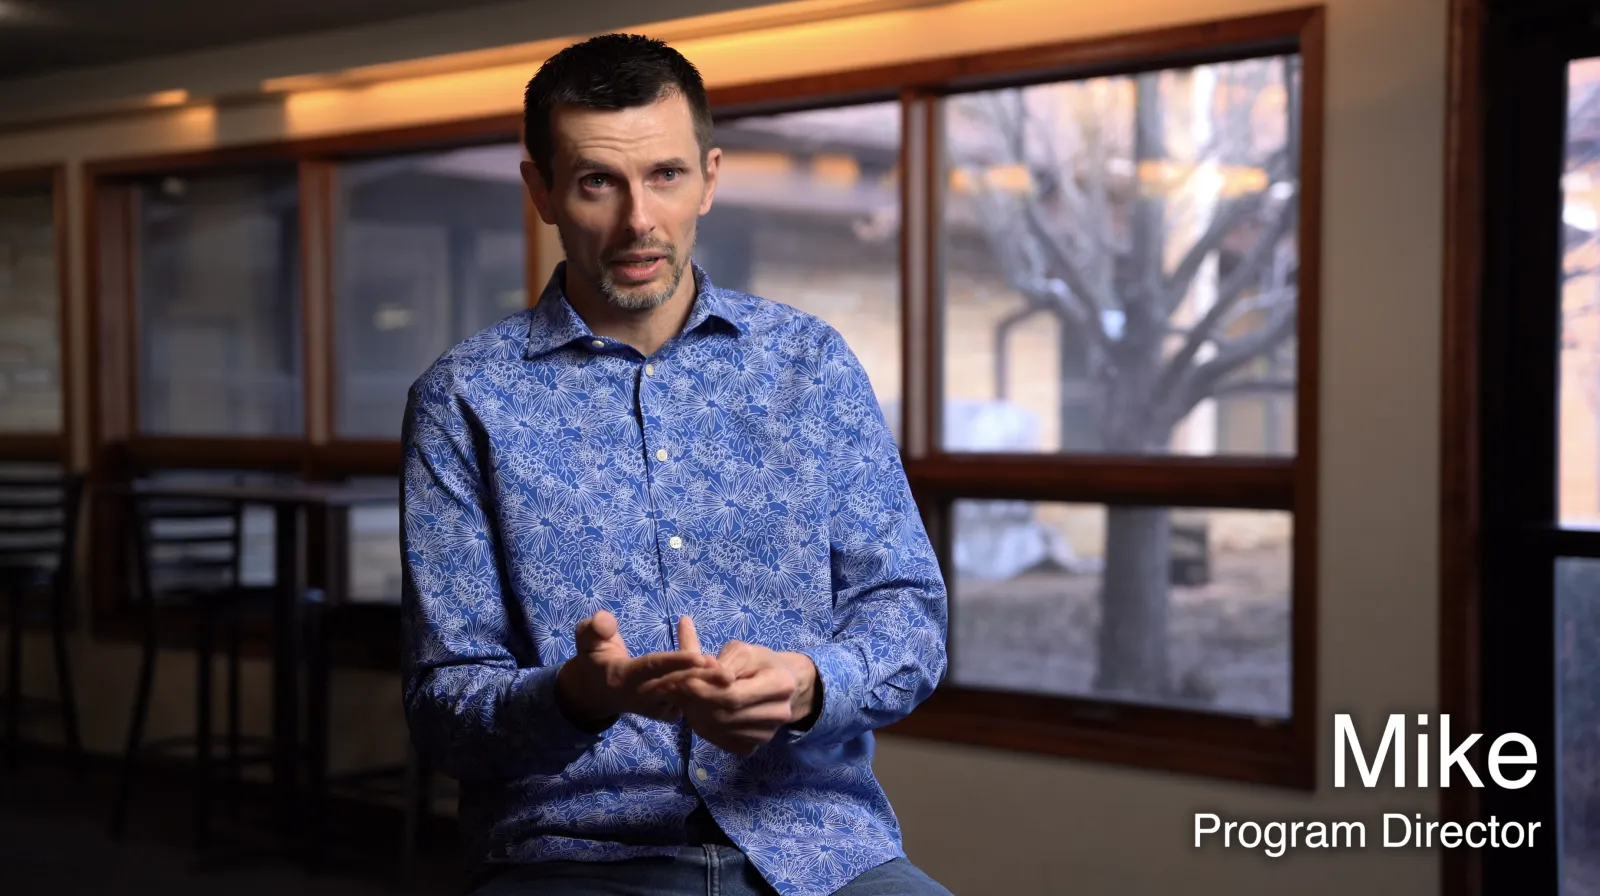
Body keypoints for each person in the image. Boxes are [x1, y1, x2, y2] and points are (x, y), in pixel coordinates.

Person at [399, 32, 952, 896]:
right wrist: (577, 697)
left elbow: (908, 614)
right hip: (570, 858)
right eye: (596, 182)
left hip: (819, 849)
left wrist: (810, 682)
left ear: (711, 178)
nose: (638, 222)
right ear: (541, 191)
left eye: (665, 176)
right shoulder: (463, 400)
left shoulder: (809, 364)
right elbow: (445, 707)